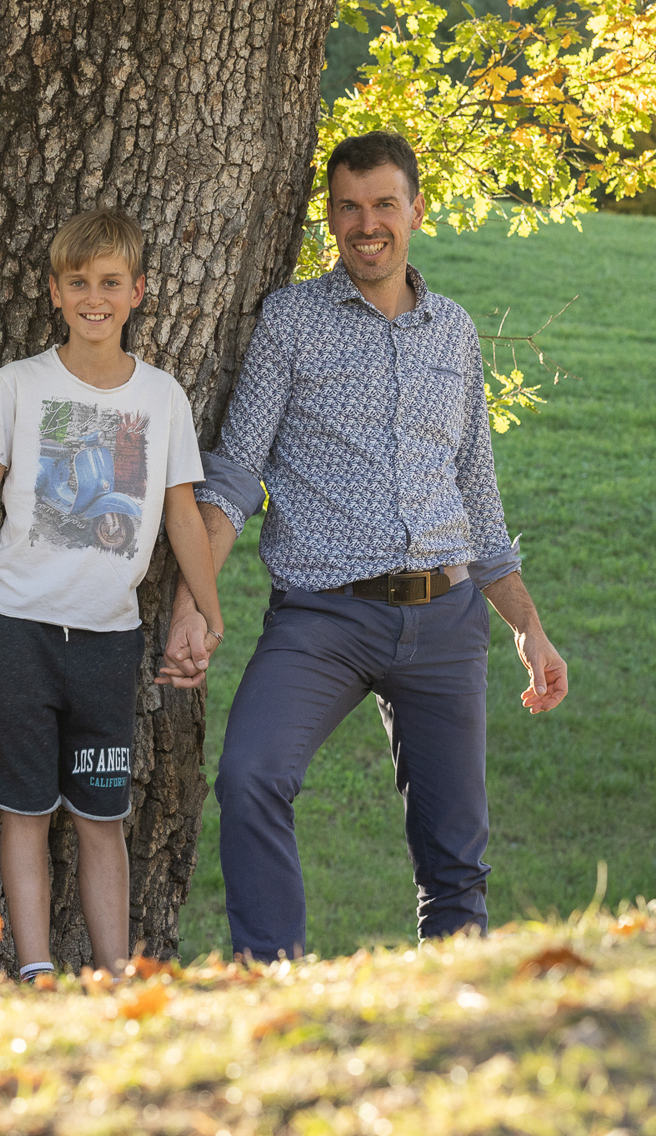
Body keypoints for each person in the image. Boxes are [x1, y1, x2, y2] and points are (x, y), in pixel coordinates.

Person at [161, 130, 570, 961]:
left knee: (456, 856)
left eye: (384, 203)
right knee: (250, 775)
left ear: (416, 210)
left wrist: (528, 628)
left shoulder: (454, 332)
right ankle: (271, 977)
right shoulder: (291, 321)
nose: (367, 223)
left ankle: (454, 996)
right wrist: (195, 603)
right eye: (348, 207)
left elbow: (478, 499)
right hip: (324, 620)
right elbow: (234, 476)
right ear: (331, 217)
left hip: (447, 621)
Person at [0, 208, 225, 981]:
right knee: (24, 812)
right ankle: (38, 971)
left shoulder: (162, 398)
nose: (95, 298)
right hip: (15, 625)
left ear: (138, 292)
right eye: (79, 282)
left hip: (108, 639)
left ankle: (115, 975)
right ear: (55, 292)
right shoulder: (18, 386)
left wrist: (209, 609)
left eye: (111, 283)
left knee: (101, 814)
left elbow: (182, 514)